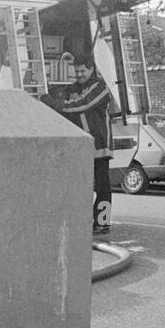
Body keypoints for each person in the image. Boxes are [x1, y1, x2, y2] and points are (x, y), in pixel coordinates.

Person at [44, 58, 114, 236]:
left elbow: (83, 104)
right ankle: (82, 220)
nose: (79, 75)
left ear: (91, 70)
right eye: (76, 72)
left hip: (99, 145)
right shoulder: (74, 87)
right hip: (81, 147)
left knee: (103, 187)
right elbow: (61, 97)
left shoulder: (100, 87)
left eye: (82, 71)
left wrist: (54, 103)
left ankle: (103, 223)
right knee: (79, 186)